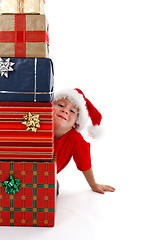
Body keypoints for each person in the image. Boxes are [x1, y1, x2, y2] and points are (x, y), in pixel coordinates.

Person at [53, 88, 115, 195]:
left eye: (72, 111)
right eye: (61, 105)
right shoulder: (37, 124)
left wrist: (93, 185)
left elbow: (84, 162)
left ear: (76, 123)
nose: (65, 111)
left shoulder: (75, 139)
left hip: (48, 176)